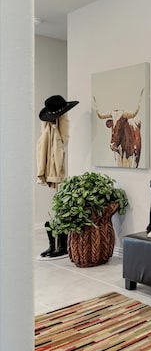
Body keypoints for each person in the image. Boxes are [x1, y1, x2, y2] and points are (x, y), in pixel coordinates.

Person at [36, 95, 78, 259]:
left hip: (63, 172)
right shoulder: (50, 129)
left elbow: (61, 145)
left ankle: (61, 245)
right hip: (59, 172)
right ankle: (54, 245)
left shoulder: (62, 126)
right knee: (57, 208)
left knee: (60, 207)